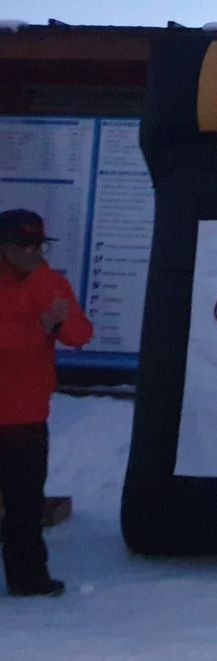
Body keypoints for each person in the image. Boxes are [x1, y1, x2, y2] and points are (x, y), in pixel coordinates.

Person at [0, 209, 93, 597]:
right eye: (24, 245)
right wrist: (37, 327)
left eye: (39, 244)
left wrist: (59, 322)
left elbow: (79, 333)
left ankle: (28, 578)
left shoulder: (48, 281)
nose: (33, 251)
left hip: (26, 415)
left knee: (25, 503)